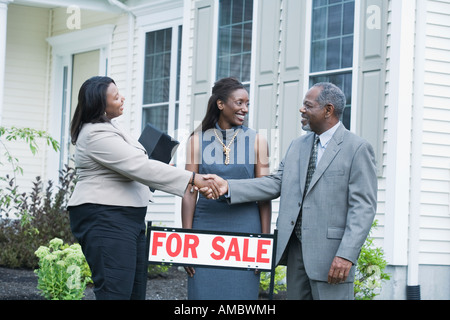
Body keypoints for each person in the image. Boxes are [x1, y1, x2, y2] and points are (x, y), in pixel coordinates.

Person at [201, 82, 378, 300]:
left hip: (332, 258)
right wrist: (229, 186)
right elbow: (275, 183)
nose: (302, 110)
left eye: (308, 105)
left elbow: (364, 208)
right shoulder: (297, 146)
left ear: (328, 110)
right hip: (296, 254)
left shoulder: (357, 149)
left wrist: (346, 255)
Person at [67, 76, 220, 300]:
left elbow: (138, 164)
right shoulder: (95, 134)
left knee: (133, 293)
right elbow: (140, 167)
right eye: (116, 96)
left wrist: (159, 166)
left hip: (127, 219)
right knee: (115, 293)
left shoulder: (111, 127)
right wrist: (194, 179)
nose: (123, 99)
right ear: (99, 104)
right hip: (105, 219)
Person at [181, 77, 272, 300]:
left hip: (245, 229)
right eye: (239, 103)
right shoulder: (196, 141)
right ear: (220, 104)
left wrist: (265, 241)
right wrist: (187, 241)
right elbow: (189, 193)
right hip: (206, 226)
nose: (245, 109)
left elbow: (265, 193)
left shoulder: (257, 141)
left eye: (247, 104)